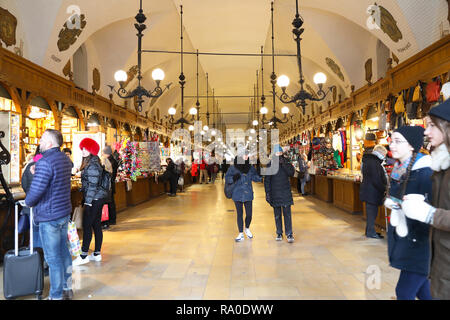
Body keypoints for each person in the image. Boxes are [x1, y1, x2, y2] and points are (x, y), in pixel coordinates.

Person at [402, 100, 450, 299]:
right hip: (440, 263)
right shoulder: (441, 165)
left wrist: (429, 214)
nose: (426, 132)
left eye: (432, 126)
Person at [383, 126, 433, 300]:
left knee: (404, 292)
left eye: (397, 141)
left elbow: (433, 209)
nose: (391, 145)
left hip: (420, 244)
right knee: (423, 291)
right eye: (391, 140)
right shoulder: (400, 169)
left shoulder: (424, 171)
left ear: (411, 145)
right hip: (408, 240)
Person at [24, 129, 73, 300]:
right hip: (63, 213)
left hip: (49, 216)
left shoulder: (45, 162)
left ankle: (56, 295)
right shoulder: (66, 160)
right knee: (64, 252)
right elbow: (52, 177)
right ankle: (67, 288)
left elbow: (37, 190)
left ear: (50, 143)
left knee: (53, 259)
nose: (40, 142)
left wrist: (28, 202)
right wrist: (37, 170)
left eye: (43, 139)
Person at [72, 138, 109, 266]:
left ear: (92, 150)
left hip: (94, 199)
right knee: (96, 225)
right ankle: (97, 253)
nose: (83, 151)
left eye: (86, 149)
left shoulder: (92, 164)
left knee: (88, 226)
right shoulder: (93, 162)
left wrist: (88, 202)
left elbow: (93, 185)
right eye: (82, 148)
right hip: (98, 198)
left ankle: (83, 256)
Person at [225, 152, 262, 242]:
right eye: (245, 155)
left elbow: (256, 178)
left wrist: (260, 173)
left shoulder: (250, 167)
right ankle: (241, 233)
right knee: (239, 214)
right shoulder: (233, 168)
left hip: (248, 193)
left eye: (247, 155)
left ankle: (247, 228)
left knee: (249, 214)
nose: (246, 156)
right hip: (237, 193)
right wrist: (233, 178)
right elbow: (227, 179)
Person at [264, 145, 296, 243]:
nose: (279, 155)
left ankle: (289, 234)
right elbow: (267, 180)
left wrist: (284, 165)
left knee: (287, 214)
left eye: (280, 153)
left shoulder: (286, 162)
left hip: (285, 191)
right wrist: (268, 193)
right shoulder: (270, 164)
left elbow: (291, 173)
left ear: (282, 153)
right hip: (275, 193)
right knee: (277, 214)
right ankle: (279, 232)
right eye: (277, 153)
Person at [359, 144, 388, 239]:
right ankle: (371, 232)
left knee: (371, 214)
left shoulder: (368, 160)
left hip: (369, 191)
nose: (384, 156)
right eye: (384, 154)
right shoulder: (374, 163)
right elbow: (376, 179)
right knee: (372, 214)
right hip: (372, 192)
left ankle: (370, 231)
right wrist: (383, 188)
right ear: (380, 153)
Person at [101, 145, 118, 229]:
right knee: (110, 203)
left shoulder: (107, 161)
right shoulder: (113, 161)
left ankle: (108, 220)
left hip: (107, 186)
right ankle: (111, 219)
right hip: (110, 185)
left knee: (108, 204)